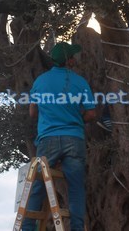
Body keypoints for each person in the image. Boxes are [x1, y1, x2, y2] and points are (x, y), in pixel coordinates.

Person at [22, 42, 97, 231]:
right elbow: (91, 114)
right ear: (69, 60)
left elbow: (32, 112)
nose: (74, 59)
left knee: (38, 186)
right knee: (75, 187)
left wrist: (52, 115)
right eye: (72, 57)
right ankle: (77, 228)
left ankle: (28, 226)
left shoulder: (40, 81)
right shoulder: (80, 82)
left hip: (47, 139)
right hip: (74, 139)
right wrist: (73, 117)